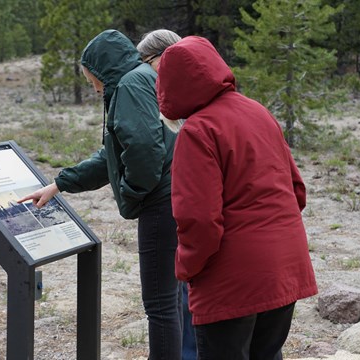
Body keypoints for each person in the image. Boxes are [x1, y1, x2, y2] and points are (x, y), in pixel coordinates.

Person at [18, 29, 182, 359]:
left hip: (160, 205)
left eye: (91, 78)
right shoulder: (141, 80)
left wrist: (133, 193)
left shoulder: (130, 86)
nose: (93, 88)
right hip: (174, 198)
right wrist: (59, 184)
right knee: (171, 298)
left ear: (103, 68)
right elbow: (112, 154)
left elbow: (143, 149)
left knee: (160, 303)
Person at [156, 36, 318, 360]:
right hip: (285, 268)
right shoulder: (258, 111)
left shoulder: (197, 131)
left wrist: (186, 268)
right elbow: (296, 190)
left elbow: (199, 220)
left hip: (230, 281)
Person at [137, 29, 197, 360]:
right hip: (180, 206)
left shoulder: (187, 103)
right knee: (179, 294)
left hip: (178, 207)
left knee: (178, 296)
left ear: (163, 58)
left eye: (147, 62)